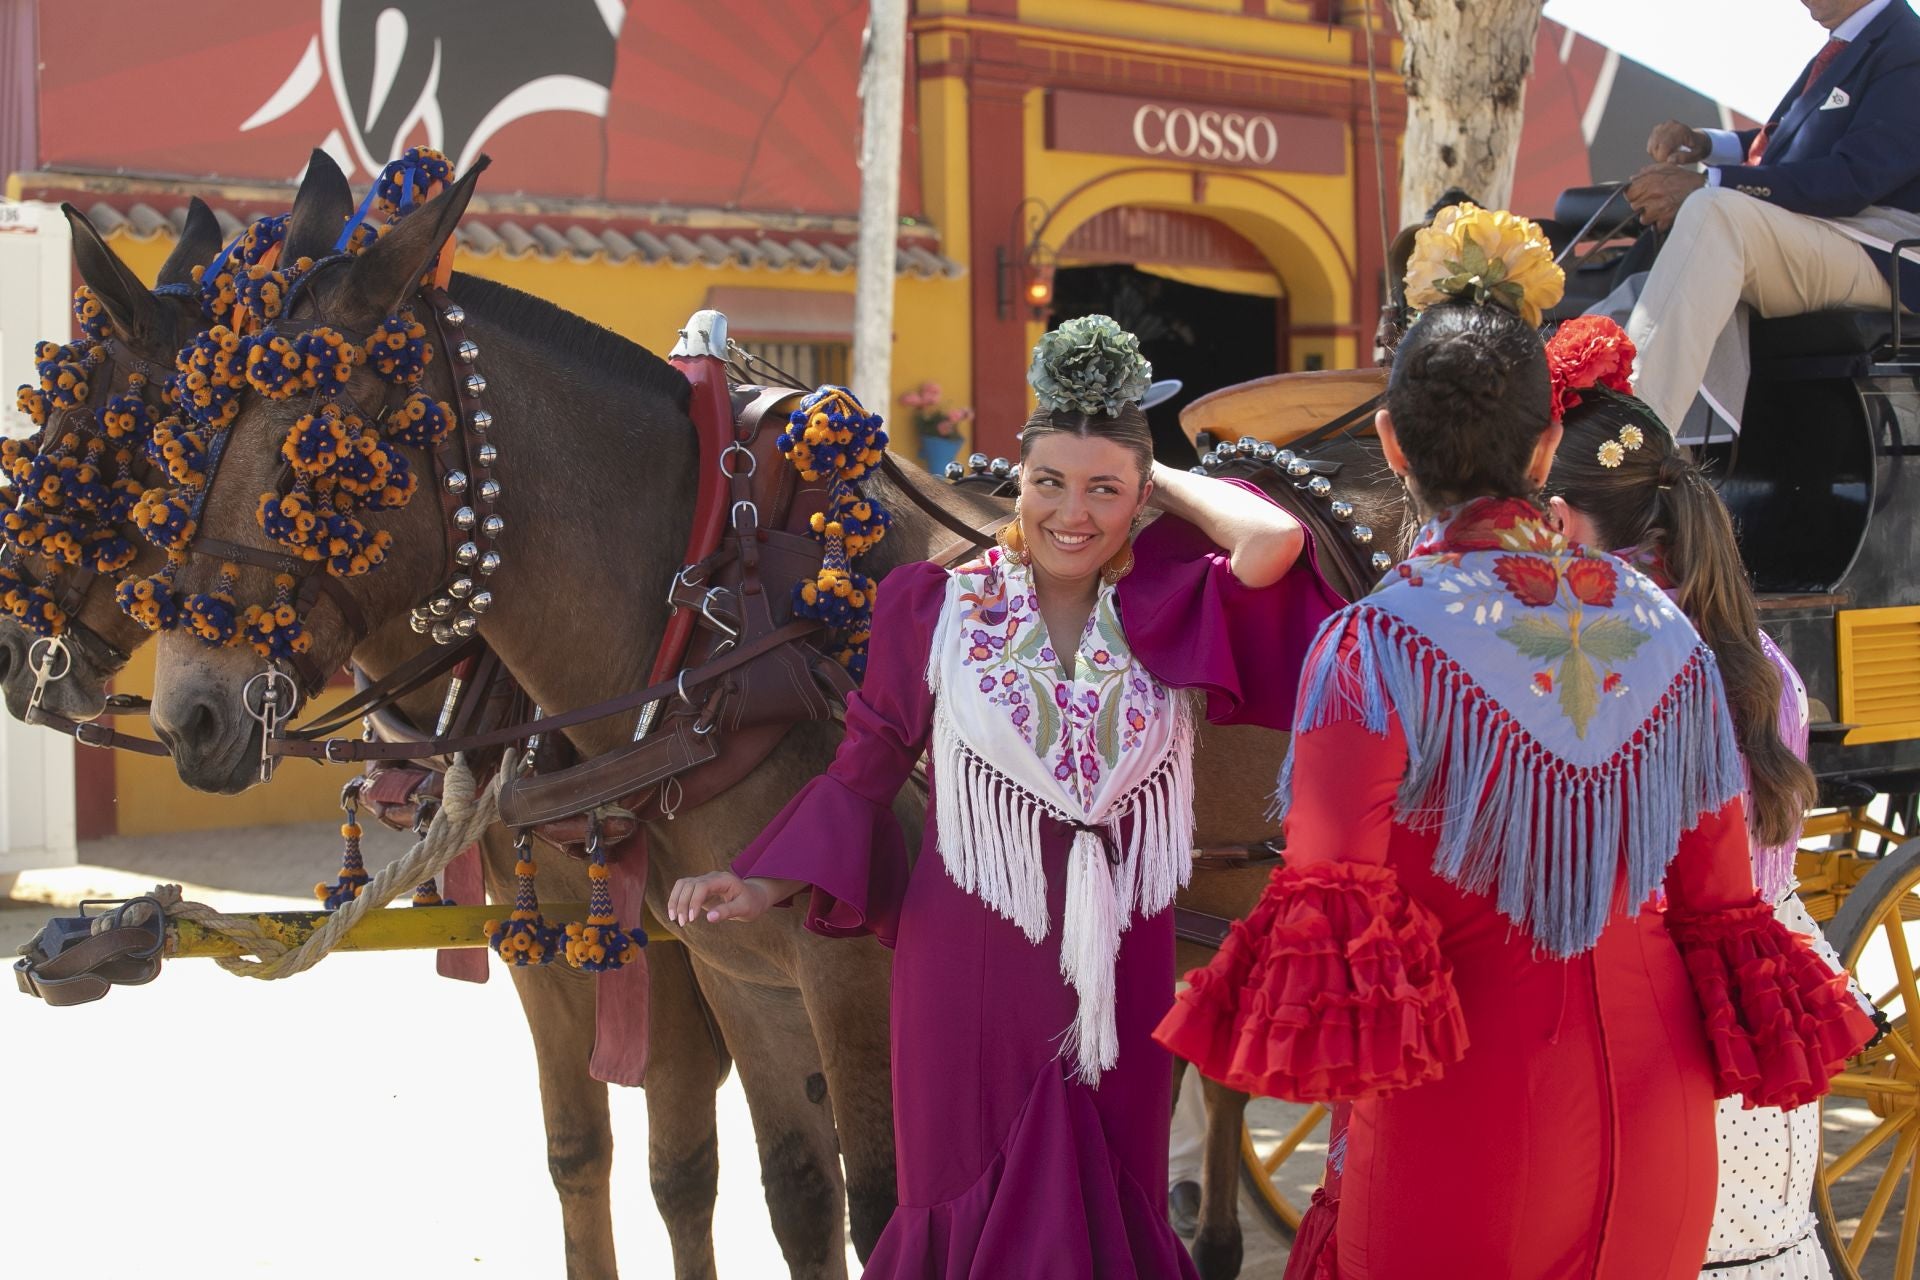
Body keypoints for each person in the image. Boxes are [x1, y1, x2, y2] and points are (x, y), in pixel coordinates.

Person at [1158, 205, 1877, 1280]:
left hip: (1468, 1128)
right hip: (1661, 1137)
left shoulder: (1374, 641)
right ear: (1546, 446)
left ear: (1394, 444)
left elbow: (1331, 917)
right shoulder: (1667, 628)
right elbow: (1719, 906)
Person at [666, 314, 1343, 1278]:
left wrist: (1160, 474)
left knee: (1116, 1186)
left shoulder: (1169, 601)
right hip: (971, 950)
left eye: (1104, 489)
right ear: (1017, 485)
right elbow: (864, 764)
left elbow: (1274, 539)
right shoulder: (934, 604)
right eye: (1048, 482)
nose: (1073, 512)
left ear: (1140, 497)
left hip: (1120, 952)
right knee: (963, 1196)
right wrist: (761, 883)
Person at [1542, 317, 1879, 1279]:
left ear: (1559, 522)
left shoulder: (1601, 670)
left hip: (1652, 1031)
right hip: (1761, 1024)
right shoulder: (1758, 663)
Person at [1622, 0, 1920, 435]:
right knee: (1641, 281)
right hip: (1828, 230)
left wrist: (1712, 183)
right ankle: (1554, 417)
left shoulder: (1908, 48)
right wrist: (1707, 144)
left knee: (1713, 214)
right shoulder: (1847, 44)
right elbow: (1791, 145)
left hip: (1883, 253)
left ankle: (1628, 446)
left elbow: (1851, 179)